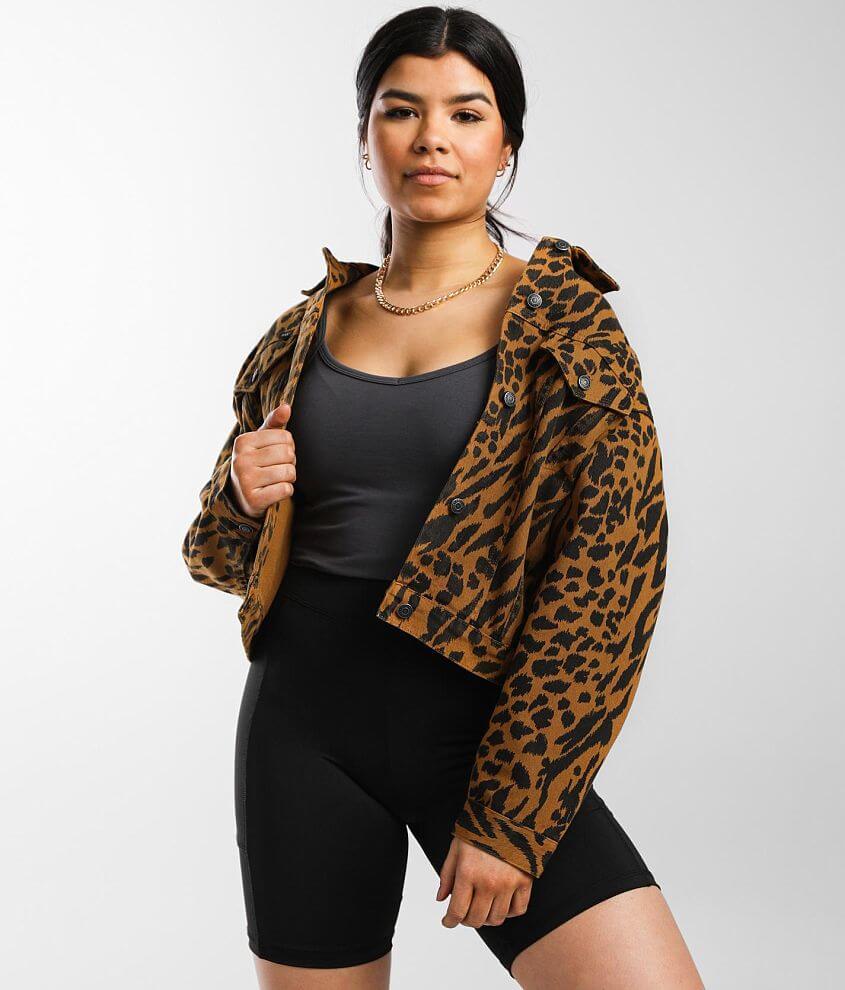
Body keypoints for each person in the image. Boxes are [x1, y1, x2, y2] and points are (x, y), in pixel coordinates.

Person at [182, 7, 704, 989]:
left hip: (481, 728)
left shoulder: (565, 329)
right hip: (299, 722)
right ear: (364, 136)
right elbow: (215, 557)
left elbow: (607, 587)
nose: (431, 139)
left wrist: (514, 813)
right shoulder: (299, 332)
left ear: (505, 145)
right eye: (400, 110)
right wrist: (238, 495)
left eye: (466, 114)